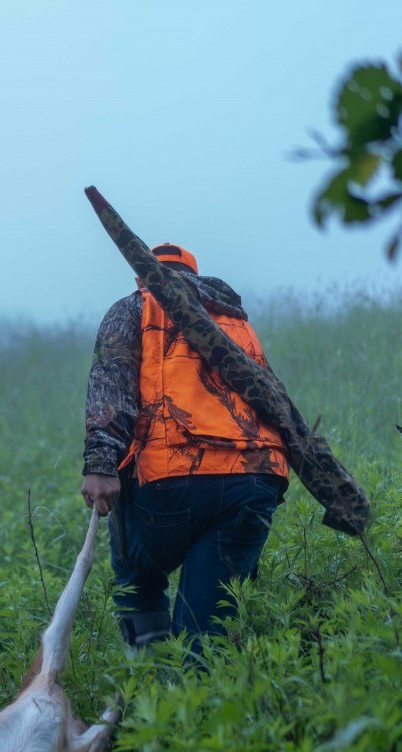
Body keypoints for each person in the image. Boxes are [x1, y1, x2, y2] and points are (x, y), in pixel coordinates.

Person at [80, 243, 289, 657]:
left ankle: (148, 667)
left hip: (172, 485)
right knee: (204, 629)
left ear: (141, 278)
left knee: (135, 572)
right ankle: (197, 678)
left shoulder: (135, 306)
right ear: (196, 277)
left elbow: (111, 387)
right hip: (255, 482)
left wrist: (101, 464)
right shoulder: (234, 320)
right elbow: (273, 400)